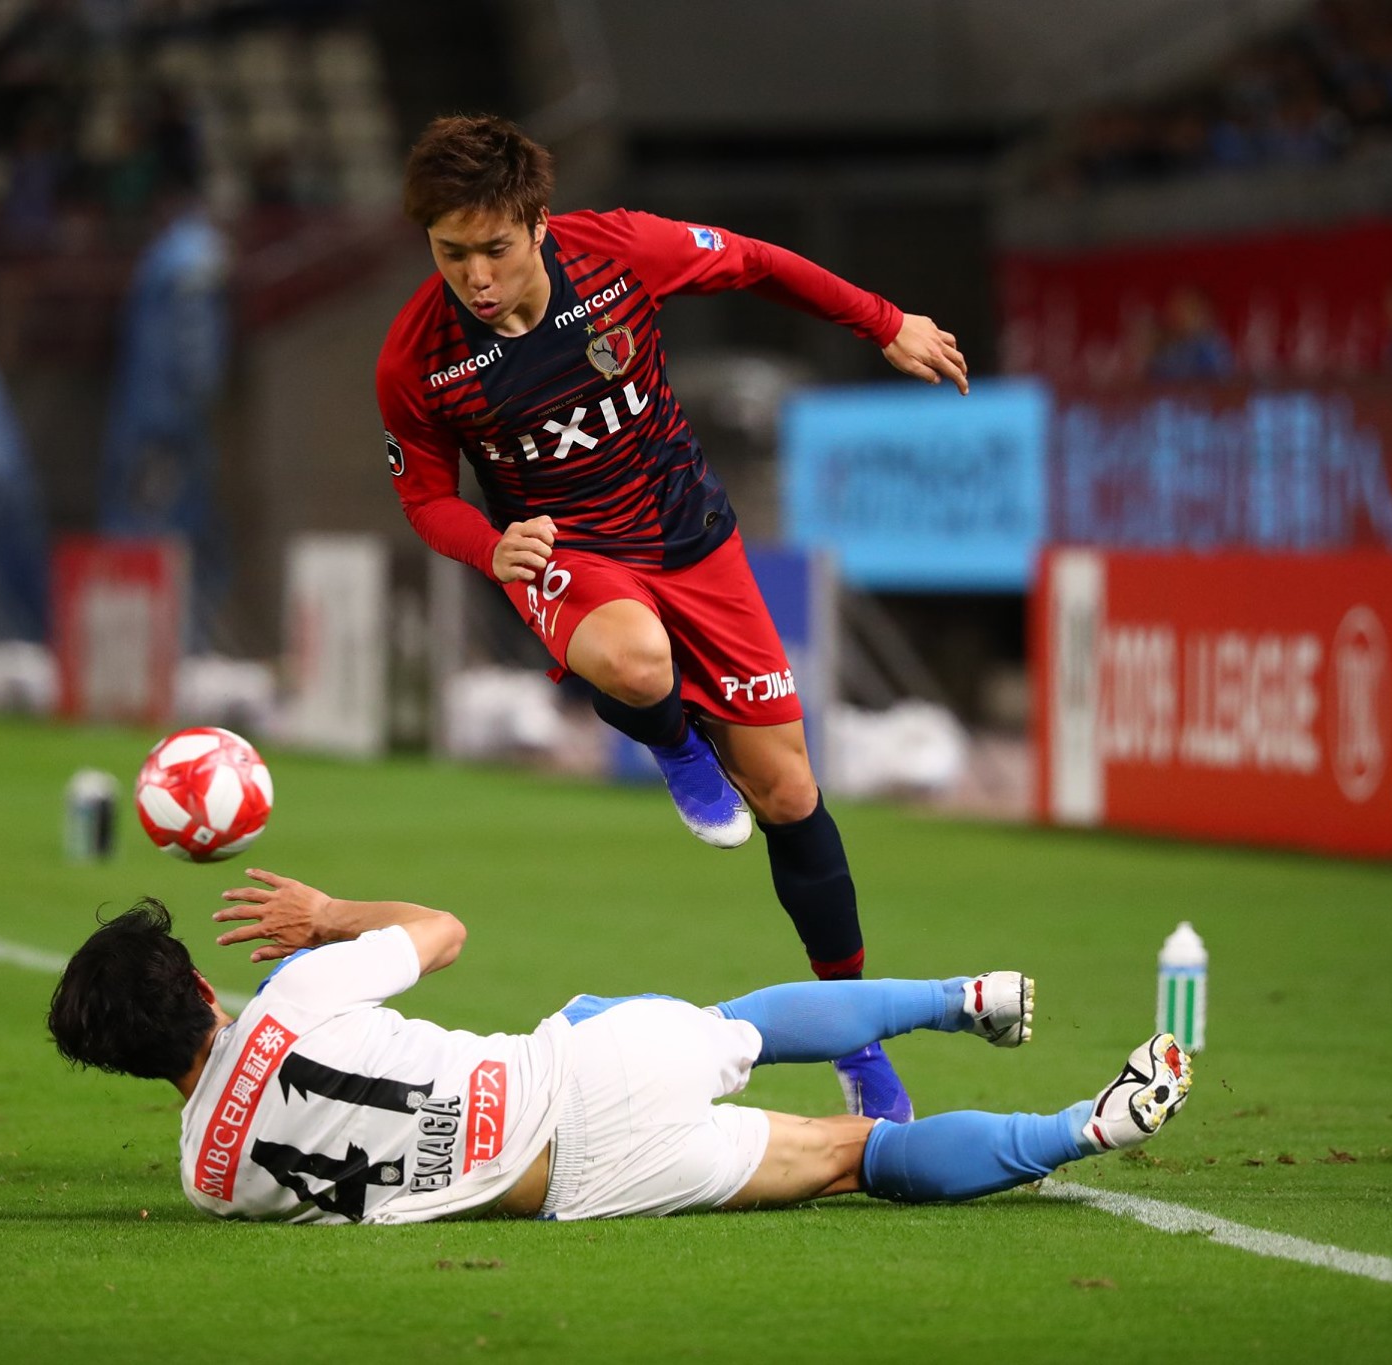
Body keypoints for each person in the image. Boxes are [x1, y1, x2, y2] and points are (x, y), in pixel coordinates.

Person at [375, 115, 972, 1123]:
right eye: (449, 253)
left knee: (787, 794)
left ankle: (856, 1046)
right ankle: (675, 749)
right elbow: (425, 497)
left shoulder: (615, 252)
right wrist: (490, 547)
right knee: (639, 662)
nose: (473, 275)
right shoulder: (416, 359)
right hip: (565, 558)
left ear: (536, 223)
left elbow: (754, 263)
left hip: (692, 539)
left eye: (494, 247)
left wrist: (883, 322)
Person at [47, 870, 1193, 1226]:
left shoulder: (206, 1182)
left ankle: (1081, 1129)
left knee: (848, 1157)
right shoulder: (296, 990)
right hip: (571, 1074)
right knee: (725, 1025)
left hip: (579, 1184)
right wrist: (331, 915)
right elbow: (441, 933)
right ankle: (956, 996)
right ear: (203, 982)